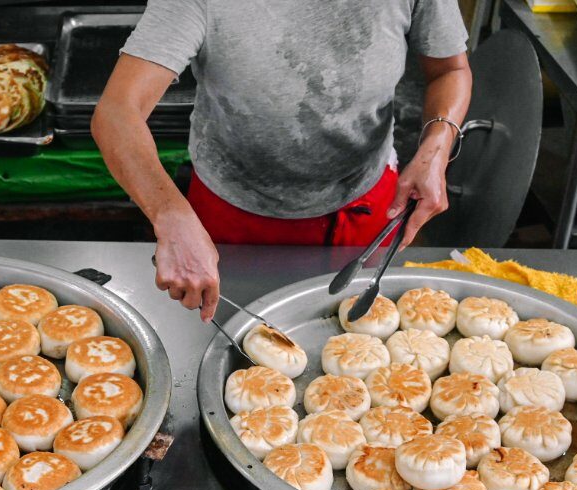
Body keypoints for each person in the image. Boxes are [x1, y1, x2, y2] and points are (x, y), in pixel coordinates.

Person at [93, 0, 472, 322]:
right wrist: (170, 216)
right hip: (230, 217)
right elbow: (117, 113)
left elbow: (450, 70)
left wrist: (437, 146)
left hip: (367, 209)